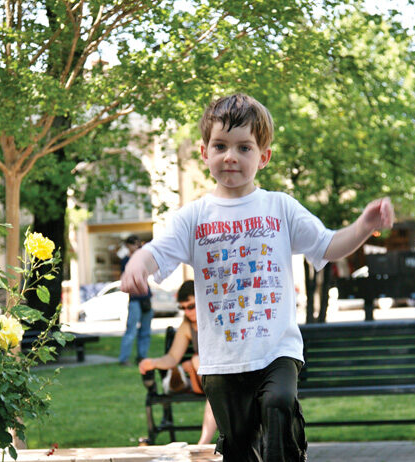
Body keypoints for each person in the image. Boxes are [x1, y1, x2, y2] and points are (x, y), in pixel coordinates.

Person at [121, 94, 395, 461]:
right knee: (238, 446)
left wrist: (364, 225)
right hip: (222, 360)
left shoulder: (279, 207)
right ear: (204, 152)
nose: (230, 156)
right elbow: (157, 251)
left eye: (244, 147)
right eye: (220, 146)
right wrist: (138, 262)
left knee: (279, 402)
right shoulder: (193, 217)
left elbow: (328, 245)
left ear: (263, 157)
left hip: (276, 351)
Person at [139, 280, 217, 444]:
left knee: (197, 361)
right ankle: (203, 444)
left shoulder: (215, 319)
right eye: (183, 308)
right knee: (198, 364)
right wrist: (153, 362)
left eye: (191, 306)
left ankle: (203, 444)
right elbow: (173, 357)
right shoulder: (187, 326)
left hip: (221, 376)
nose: (187, 312)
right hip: (207, 380)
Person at [118, 234, 153, 366]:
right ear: (128, 246)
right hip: (135, 299)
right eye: (134, 244)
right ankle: (124, 358)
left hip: (145, 298)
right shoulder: (126, 260)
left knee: (145, 331)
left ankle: (142, 356)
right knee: (131, 330)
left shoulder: (143, 257)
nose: (136, 246)